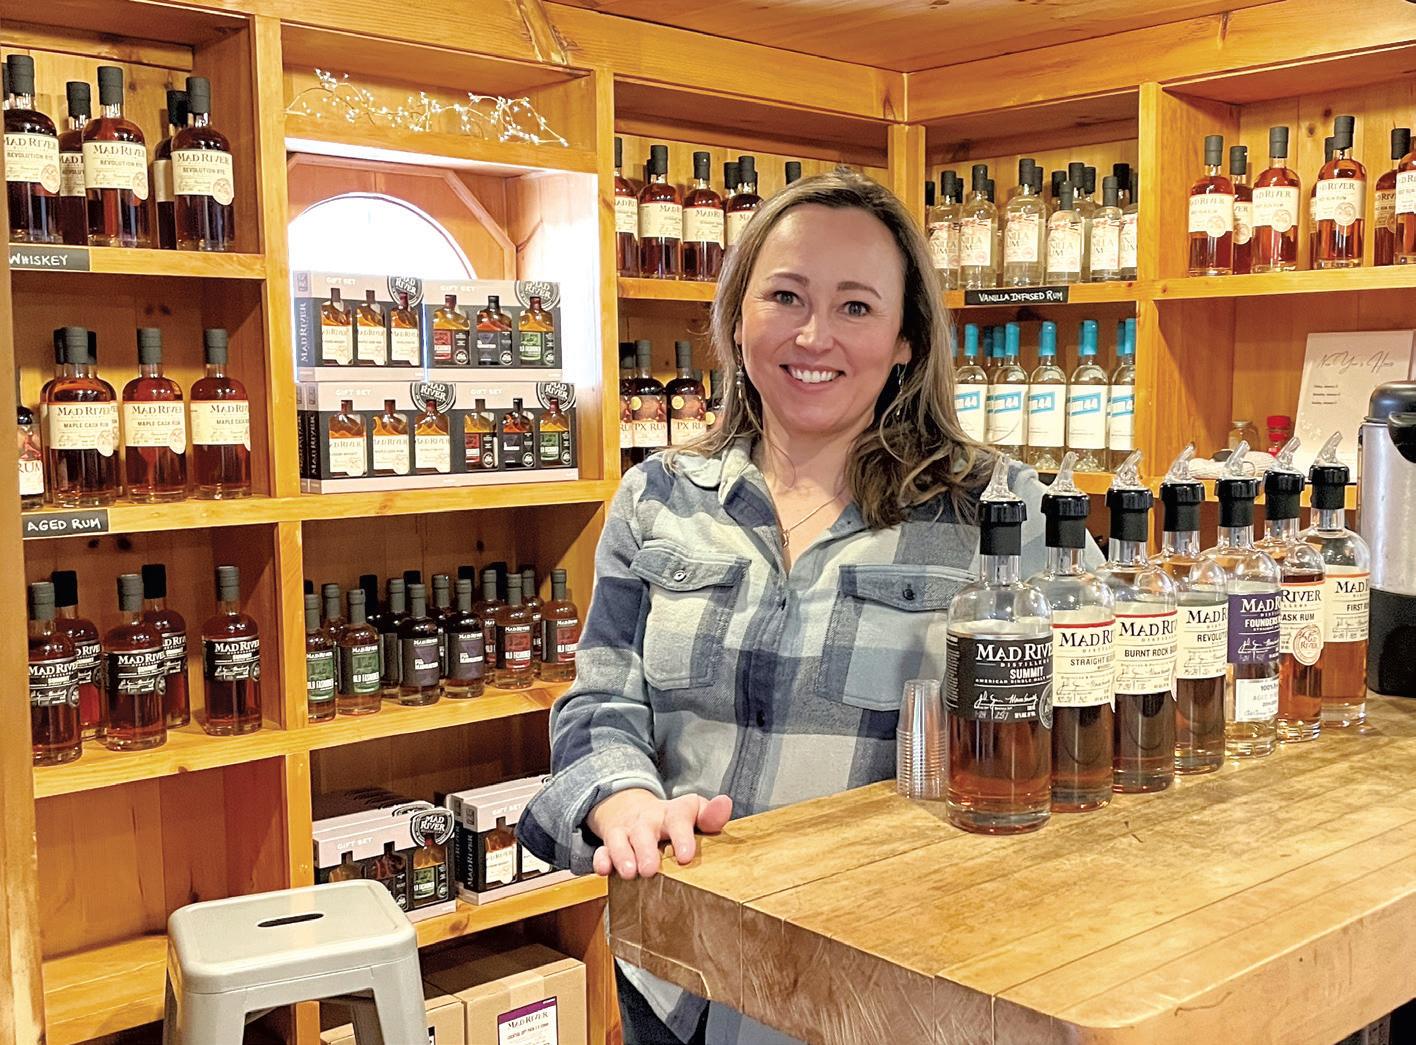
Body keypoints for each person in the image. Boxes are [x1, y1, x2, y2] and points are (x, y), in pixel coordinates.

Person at [518, 168, 1098, 1044]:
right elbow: (600, 701)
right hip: (678, 971)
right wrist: (625, 800)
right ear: (737, 318)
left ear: (906, 340)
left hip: (888, 989)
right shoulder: (659, 496)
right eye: (785, 296)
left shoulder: (1000, 511)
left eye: (856, 306)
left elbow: (1100, 712)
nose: (814, 334)